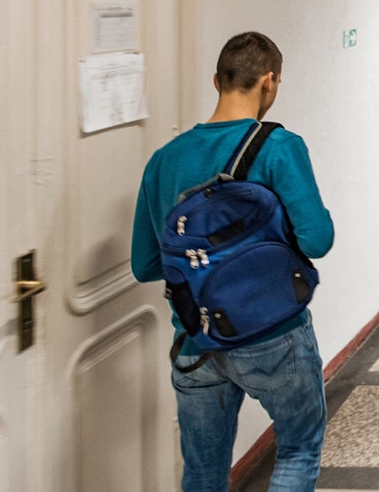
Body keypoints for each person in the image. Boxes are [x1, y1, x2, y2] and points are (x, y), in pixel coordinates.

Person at [131, 31, 335, 491]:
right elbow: (318, 239)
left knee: (203, 474)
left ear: (217, 81)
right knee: (299, 449)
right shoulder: (279, 146)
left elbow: (144, 264)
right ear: (270, 82)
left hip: (195, 339)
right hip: (273, 335)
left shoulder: (164, 160)